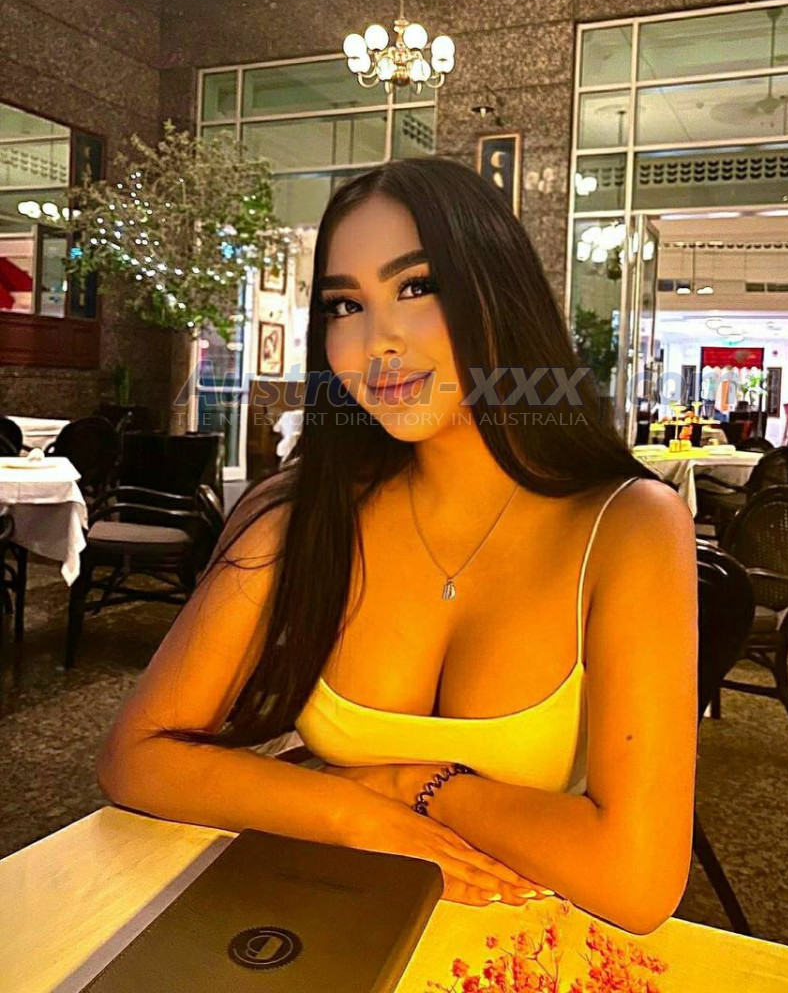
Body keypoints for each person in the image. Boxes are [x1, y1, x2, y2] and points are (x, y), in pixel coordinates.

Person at [98, 158, 697, 934]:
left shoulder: (629, 526)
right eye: (345, 304)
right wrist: (351, 811)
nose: (377, 340)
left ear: (498, 293)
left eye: (416, 287)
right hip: (321, 930)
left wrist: (420, 787)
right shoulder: (299, 514)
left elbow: (637, 881)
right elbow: (134, 758)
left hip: (513, 956)